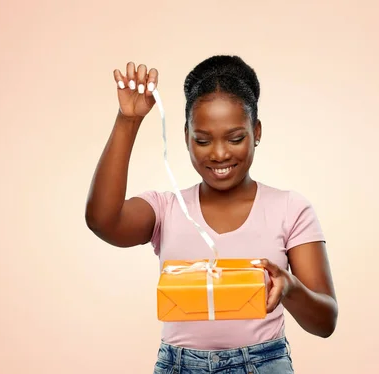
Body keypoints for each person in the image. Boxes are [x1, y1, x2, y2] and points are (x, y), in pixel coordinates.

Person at [85, 55, 338, 373]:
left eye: (235, 138)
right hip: (179, 365)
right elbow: (102, 221)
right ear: (186, 136)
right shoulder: (167, 208)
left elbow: (326, 321)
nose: (219, 154)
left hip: (263, 364)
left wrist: (290, 287)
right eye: (202, 140)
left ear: (256, 131)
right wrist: (128, 120)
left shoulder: (290, 209)